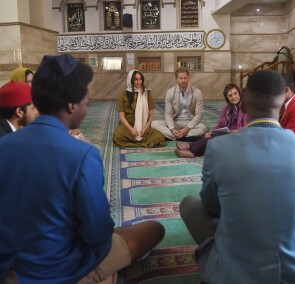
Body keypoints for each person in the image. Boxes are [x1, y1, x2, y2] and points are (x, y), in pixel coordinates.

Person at [0, 54, 165, 284]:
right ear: (71, 104)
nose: (89, 99)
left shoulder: (3, 145)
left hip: (9, 269)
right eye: (85, 93)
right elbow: (97, 233)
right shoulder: (82, 155)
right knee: (154, 229)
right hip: (59, 270)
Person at [180, 69, 295, 284]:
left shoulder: (218, 148)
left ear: (243, 105)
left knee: (189, 204)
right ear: (282, 107)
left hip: (234, 274)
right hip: (293, 273)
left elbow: (211, 206)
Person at [175, 83, 247, 158]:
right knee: (210, 136)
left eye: (235, 93)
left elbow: (250, 127)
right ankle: (191, 152)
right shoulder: (226, 109)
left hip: (239, 136)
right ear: (227, 98)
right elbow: (220, 125)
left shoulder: (246, 107)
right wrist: (211, 132)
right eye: (230, 95)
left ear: (239, 93)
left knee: (216, 138)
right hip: (227, 134)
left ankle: (190, 148)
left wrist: (236, 131)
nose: (234, 97)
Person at [151, 67, 207, 141]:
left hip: (190, 121)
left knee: (203, 128)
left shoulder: (197, 92)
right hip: (175, 121)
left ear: (188, 78)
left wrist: (187, 128)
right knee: (153, 124)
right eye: (180, 78)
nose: (183, 80)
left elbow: (199, 115)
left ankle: (174, 136)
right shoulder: (170, 92)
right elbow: (168, 114)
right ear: (176, 79)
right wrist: (172, 129)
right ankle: (183, 136)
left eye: (185, 78)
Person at [113, 69, 165, 148]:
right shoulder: (123, 94)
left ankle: (135, 141)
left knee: (160, 136)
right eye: (136, 79)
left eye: (140, 79)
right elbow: (122, 116)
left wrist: (144, 128)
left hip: (143, 126)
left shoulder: (146, 94)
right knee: (118, 135)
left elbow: (151, 115)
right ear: (130, 80)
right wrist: (131, 130)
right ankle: (141, 141)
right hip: (128, 126)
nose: (139, 82)